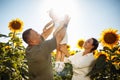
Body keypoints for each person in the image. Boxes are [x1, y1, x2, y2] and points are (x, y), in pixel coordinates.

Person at [22, 15, 70, 80]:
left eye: (37, 32)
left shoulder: (30, 47)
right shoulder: (41, 50)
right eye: (36, 34)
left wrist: (54, 23)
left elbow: (45, 34)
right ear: (32, 41)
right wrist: (65, 24)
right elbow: (59, 36)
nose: (39, 34)